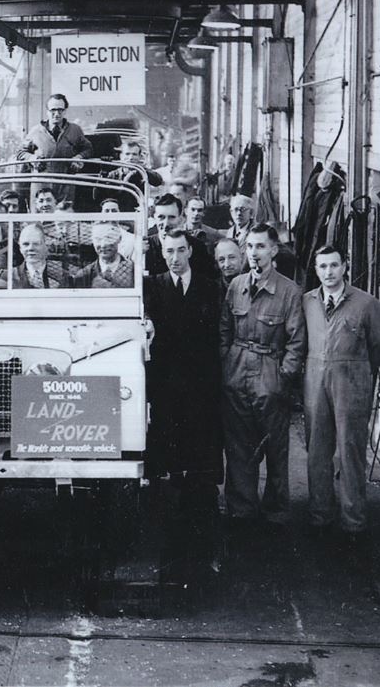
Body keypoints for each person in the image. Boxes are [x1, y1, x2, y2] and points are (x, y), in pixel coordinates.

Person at [144, 229, 224, 569]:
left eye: (179, 250)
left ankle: (201, 527)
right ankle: (170, 521)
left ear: (190, 251)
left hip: (201, 385)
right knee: (169, 454)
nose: (174, 258)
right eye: (168, 251)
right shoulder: (154, 287)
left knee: (199, 453)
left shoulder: (209, 286)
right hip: (166, 385)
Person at [219, 223, 306, 529]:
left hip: (271, 370)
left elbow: (297, 342)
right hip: (237, 370)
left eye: (260, 247)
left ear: (273, 250)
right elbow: (225, 331)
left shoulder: (290, 292)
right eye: (250, 247)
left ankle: (276, 510)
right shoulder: (236, 285)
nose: (254, 253)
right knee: (239, 445)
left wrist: (283, 376)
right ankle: (242, 509)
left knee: (275, 446)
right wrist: (227, 364)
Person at [302, 246, 380, 543]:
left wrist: (359, 372)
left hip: (351, 380)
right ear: (316, 269)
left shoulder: (366, 303)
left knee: (350, 450)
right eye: (323, 266)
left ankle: (354, 521)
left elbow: (379, 347)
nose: (329, 272)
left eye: (334, 266)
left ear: (345, 267)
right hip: (315, 377)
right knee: (317, 449)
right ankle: (320, 515)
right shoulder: (308, 302)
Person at [145, 194, 218, 280]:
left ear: (181, 218)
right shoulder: (146, 248)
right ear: (154, 217)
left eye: (171, 217)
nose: (166, 224)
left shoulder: (198, 247)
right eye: (161, 217)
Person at [73, 223, 135, 288]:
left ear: (119, 238)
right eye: (98, 239)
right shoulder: (83, 276)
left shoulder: (134, 271)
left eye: (108, 238)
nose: (103, 245)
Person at [10, 223, 64, 288]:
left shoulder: (62, 276)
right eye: (26, 244)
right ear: (20, 248)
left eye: (36, 244)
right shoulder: (10, 276)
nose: (30, 248)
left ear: (45, 246)